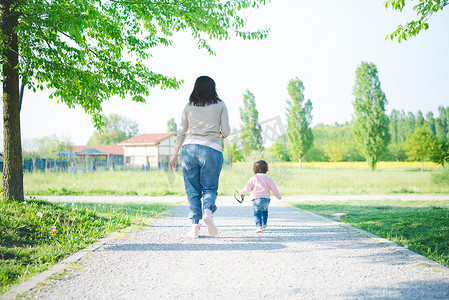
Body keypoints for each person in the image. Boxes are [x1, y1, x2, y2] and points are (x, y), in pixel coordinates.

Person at [169, 76, 230, 238]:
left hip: (189, 149)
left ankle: (195, 227)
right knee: (209, 188)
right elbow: (226, 132)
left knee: (192, 190)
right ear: (212, 88)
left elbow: (181, 132)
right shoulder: (220, 105)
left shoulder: (189, 107)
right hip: (212, 149)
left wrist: (174, 155)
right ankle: (208, 212)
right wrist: (219, 132)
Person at [238, 160, 282, 233]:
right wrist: (279, 196)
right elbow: (274, 189)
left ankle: (258, 226)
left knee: (257, 212)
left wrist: (241, 192)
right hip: (266, 199)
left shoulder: (253, 178)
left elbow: (248, 188)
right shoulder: (269, 179)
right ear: (266, 169)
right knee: (265, 211)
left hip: (257, 199)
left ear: (255, 169)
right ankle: (264, 225)